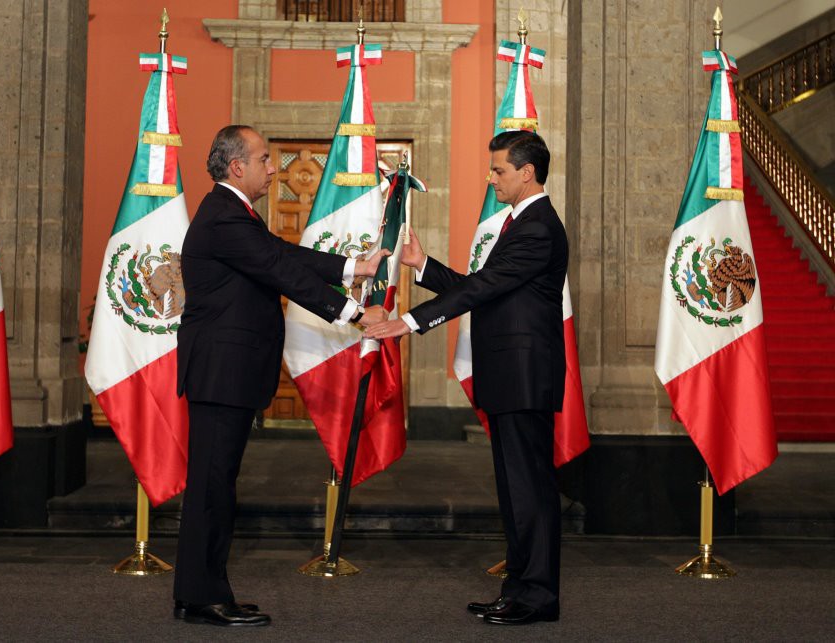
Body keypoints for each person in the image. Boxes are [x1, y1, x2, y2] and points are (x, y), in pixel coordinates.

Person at [174, 125, 387, 627]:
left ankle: (198, 591)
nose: (274, 168)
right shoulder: (224, 217)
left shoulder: (233, 213)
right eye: (265, 159)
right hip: (222, 373)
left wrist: (354, 266)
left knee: (215, 484)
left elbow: (284, 255)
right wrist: (356, 314)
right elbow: (278, 267)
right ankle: (204, 596)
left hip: (228, 372)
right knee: (211, 487)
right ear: (236, 167)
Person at [364, 130, 567, 626]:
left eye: (499, 170)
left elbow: (487, 285)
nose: (491, 177)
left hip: (523, 377)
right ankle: (518, 588)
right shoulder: (519, 224)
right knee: (515, 489)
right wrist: (423, 265)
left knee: (530, 490)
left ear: (527, 172)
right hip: (510, 376)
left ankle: (537, 597)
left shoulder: (538, 226)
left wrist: (410, 322)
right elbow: (486, 290)